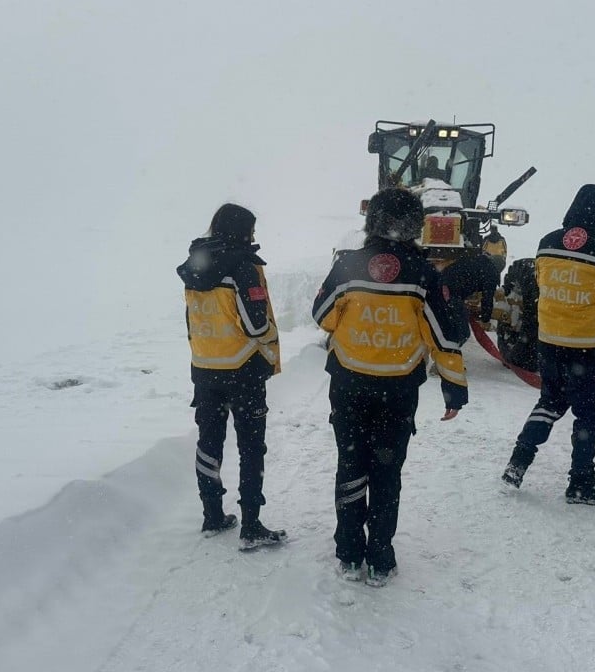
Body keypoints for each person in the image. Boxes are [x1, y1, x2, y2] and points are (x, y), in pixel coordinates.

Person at [312, 187, 468, 586]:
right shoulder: (424, 274)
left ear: (373, 222)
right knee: (386, 471)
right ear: (416, 225)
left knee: (350, 464)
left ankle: (348, 552)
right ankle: (381, 556)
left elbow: (323, 316)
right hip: (397, 392)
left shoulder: (349, 265)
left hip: (348, 385)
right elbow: (445, 336)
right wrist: (453, 387)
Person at [500, 184, 595, 507]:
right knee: (590, 415)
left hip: (549, 341)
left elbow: (539, 282)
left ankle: (517, 464)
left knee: (549, 403)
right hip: (592, 346)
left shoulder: (547, 243)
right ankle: (581, 482)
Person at [176, 203, 286, 550]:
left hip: (205, 368)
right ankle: (251, 525)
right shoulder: (244, 265)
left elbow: (191, 320)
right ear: (243, 231)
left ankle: (212, 516)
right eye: (251, 229)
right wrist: (268, 339)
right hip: (243, 370)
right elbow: (256, 324)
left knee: (208, 443)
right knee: (251, 446)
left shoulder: (196, 263)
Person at [441, 251, 501, 337]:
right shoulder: (491, 273)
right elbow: (487, 298)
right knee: (462, 332)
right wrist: (485, 319)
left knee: (447, 319)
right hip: (451, 290)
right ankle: (449, 345)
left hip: (443, 282)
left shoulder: (477, 259)